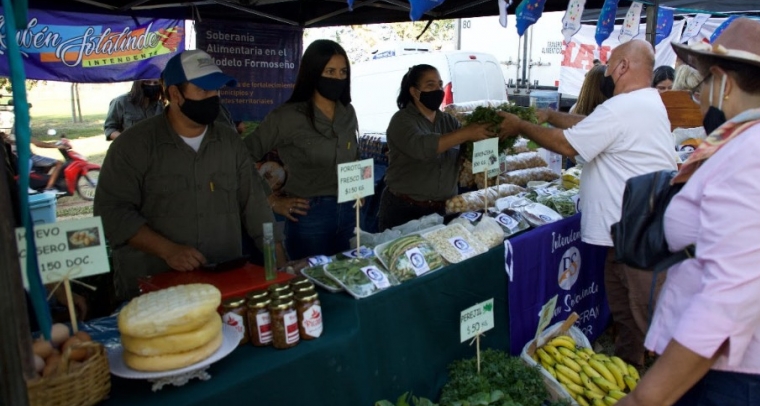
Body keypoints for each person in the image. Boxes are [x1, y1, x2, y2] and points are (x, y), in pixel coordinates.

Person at [606, 18, 760, 406]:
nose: (697, 98)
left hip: (743, 374)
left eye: (698, 86)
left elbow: (733, 292)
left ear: (722, 81)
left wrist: (644, 402)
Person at [498, 40, 677, 368]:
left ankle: (654, 390)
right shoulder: (643, 103)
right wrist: (551, 115)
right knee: (627, 316)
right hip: (630, 234)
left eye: (609, 65)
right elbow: (590, 126)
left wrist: (520, 125)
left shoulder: (625, 106)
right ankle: (632, 375)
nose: (606, 72)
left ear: (622, 67)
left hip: (637, 236)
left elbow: (567, 146)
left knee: (643, 319)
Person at [94, 50, 274, 300]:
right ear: (175, 94)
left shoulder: (229, 142)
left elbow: (256, 206)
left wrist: (278, 260)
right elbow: (110, 212)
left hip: (223, 285)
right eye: (203, 90)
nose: (213, 98)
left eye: (216, 90)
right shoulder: (133, 146)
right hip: (155, 291)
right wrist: (167, 250)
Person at [245, 39, 358, 261]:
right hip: (309, 216)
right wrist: (271, 200)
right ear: (314, 73)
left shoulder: (348, 113)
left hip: (348, 212)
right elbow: (242, 156)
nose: (338, 78)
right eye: (330, 71)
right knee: (311, 287)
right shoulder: (287, 117)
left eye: (343, 72)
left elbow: (354, 158)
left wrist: (359, 189)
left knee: (348, 279)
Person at [377, 64, 493, 231]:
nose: (438, 89)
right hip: (405, 210)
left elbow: (466, 152)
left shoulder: (449, 121)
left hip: (444, 209)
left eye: (440, 84)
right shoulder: (402, 121)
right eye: (430, 85)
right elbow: (422, 148)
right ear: (414, 92)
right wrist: (466, 133)